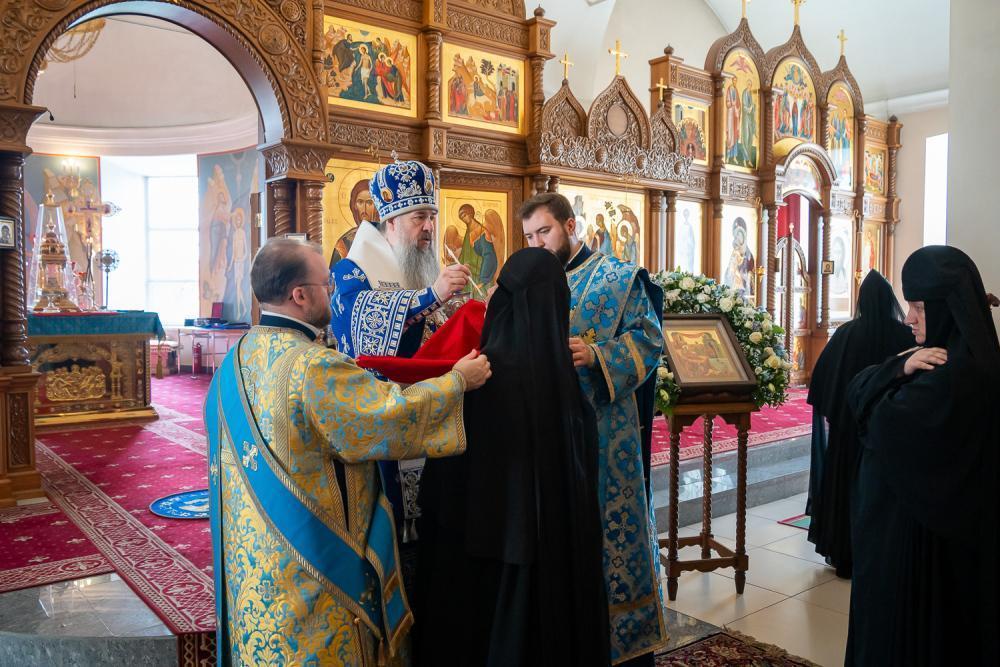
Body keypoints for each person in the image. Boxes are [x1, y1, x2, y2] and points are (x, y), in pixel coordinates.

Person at [205, 237, 491, 666]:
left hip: (254, 561)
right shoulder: (313, 367)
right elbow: (387, 418)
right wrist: (458, 381)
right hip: (313, 568)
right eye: (326, 284)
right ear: (300, 295)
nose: (334, 293)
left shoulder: (233, 361)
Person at [414, 248, 610, 666]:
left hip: (481, 557)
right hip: (550, 565)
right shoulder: (567, 382)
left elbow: (445, 482)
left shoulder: (476, 374)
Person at [520, 193, 666, 666]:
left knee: (608, 537)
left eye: (544, 232)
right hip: (547, 433)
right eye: (529, 237)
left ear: (570, 226)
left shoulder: (618, 278)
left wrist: (600, 355)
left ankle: (619, 644)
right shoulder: (530, 284)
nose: (537, 244)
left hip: (606, 433)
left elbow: (650, 340)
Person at [846, 246, 999, 666]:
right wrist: (900, 366)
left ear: (946, 307)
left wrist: (894, 370)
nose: (908, 318)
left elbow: (868, 411)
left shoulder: (947, 378)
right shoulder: (976, 359)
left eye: (919, 307)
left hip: (918, 556)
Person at [330, 159, 471, 569]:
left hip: (435, 408)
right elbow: (360, 325)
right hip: (383, 417)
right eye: (418, 217)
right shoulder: (352, 269)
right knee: (393, 531)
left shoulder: (420, 265)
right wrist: (431, 296)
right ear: (391, 221)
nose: (429, 227)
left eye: (432, 216)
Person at [805, 271, 913, 578]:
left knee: (845, 490)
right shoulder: (904, 336)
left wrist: (840, 411)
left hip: (848, 433)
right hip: (886, 435)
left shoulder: (846, 334)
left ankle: (845, 555)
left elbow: (823, 381)